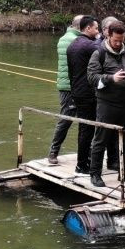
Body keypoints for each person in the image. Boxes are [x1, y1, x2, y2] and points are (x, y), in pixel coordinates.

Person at [86, 21, 125, 188]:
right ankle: (95, 174)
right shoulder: (99, 53)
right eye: (115, 40)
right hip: (107, 102)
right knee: (101, 139)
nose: (119, 43)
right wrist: (111, 78)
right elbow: (91, 77)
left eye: (121, 40)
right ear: (108, 36)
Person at [65, 15, 101, 175]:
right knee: (87, 129)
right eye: (96, 28)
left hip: (77, 90)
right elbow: (104, 51)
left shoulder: (73, 44)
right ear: (88, 28)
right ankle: (82, 164)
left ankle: (84, 161)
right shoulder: (89, 45)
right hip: (87, 92)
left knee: (84, 128)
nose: (98, 31)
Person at [47, 15, 83, 164]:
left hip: (70, 84)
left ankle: (55, 152)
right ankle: (53, 152)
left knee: (70, 119)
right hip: (70, 86)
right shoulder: (74, 40)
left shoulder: (66, 37)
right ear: (82, 26)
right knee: (66, 119)